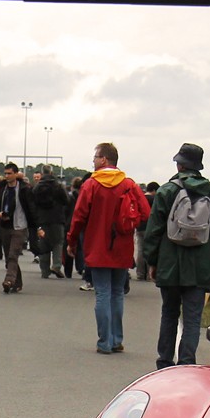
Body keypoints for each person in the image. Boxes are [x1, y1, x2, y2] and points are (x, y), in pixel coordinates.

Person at [142, 142, 210, 368]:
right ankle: (186, 362)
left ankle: (164, 361)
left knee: (169, 313)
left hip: (170, 262)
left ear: (179, 164)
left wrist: (152, 261)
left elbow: (153, 230)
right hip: (201, 265)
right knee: (192, 318)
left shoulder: (166, 191)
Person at [67, 142, 150, 353]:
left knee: (102, 293)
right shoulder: (129, 184)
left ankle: (104, 341)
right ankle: (116, 339)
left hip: (97, 246)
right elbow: (146, 212)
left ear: (104, 159)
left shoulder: (91, 185)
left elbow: (78, 217)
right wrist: (129, 224)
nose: (93, 161)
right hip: (121, 246)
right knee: (117, 294)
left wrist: (72, 241)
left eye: (95, 157)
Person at [0, 163, 39, 293]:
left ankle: (9, 280)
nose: (7, 176)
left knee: (13, 254)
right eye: (5, 173)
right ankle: (17, 282)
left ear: (16, 174)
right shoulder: (2, 189)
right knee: (8, 256)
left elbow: (31, 208)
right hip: (4, 225)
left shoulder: (24, 189)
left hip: (19, 225)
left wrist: (37, 226)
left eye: (9, 173)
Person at [33, 170, 70, 280]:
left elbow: (33, 202)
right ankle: (56, 266)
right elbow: (67, 200)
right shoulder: (58, 186)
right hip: (57, 218)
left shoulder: (37, 188)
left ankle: (45, 271)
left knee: (44, 244)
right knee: (58, 242)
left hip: (42, 219)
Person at [135, 182, 159, 280]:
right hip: (150, 227)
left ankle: (140, 273)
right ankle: (149, 274)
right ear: (154, 190)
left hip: (139, 226)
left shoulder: (140, 198)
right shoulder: (154, 200)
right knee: (149, 250)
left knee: (140, 250)